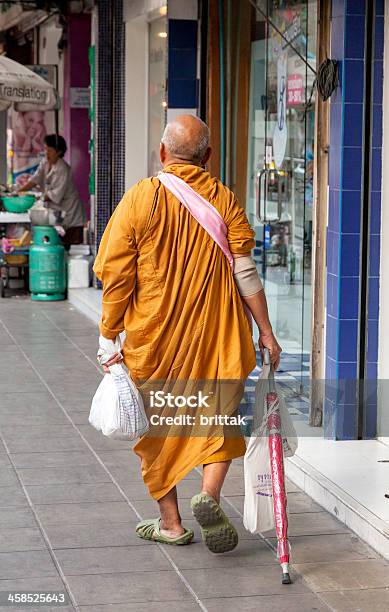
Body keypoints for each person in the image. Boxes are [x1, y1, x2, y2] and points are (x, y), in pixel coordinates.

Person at [94, 115, 281, 552]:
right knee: (217, 417)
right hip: (220, 334)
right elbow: (246, 273)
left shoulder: (140, 198)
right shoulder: (224, 199)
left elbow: (117, 276)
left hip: (154, 337)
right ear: (208, 157)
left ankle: (172, 523)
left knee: (157, 426)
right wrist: (266, 332)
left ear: (162, 153)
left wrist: (109, 335)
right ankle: (209, 495)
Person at [17, 134, 86, 248]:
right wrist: (18, 193)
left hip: (71, 217)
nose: (46, 153)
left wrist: (35, 198)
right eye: (45, 150)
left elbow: (55, 195)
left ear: (58, 152)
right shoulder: (45, 162)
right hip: (58, 216)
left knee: (69, 251)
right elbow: (35, 179)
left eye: (49, 150)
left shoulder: (63, 169)